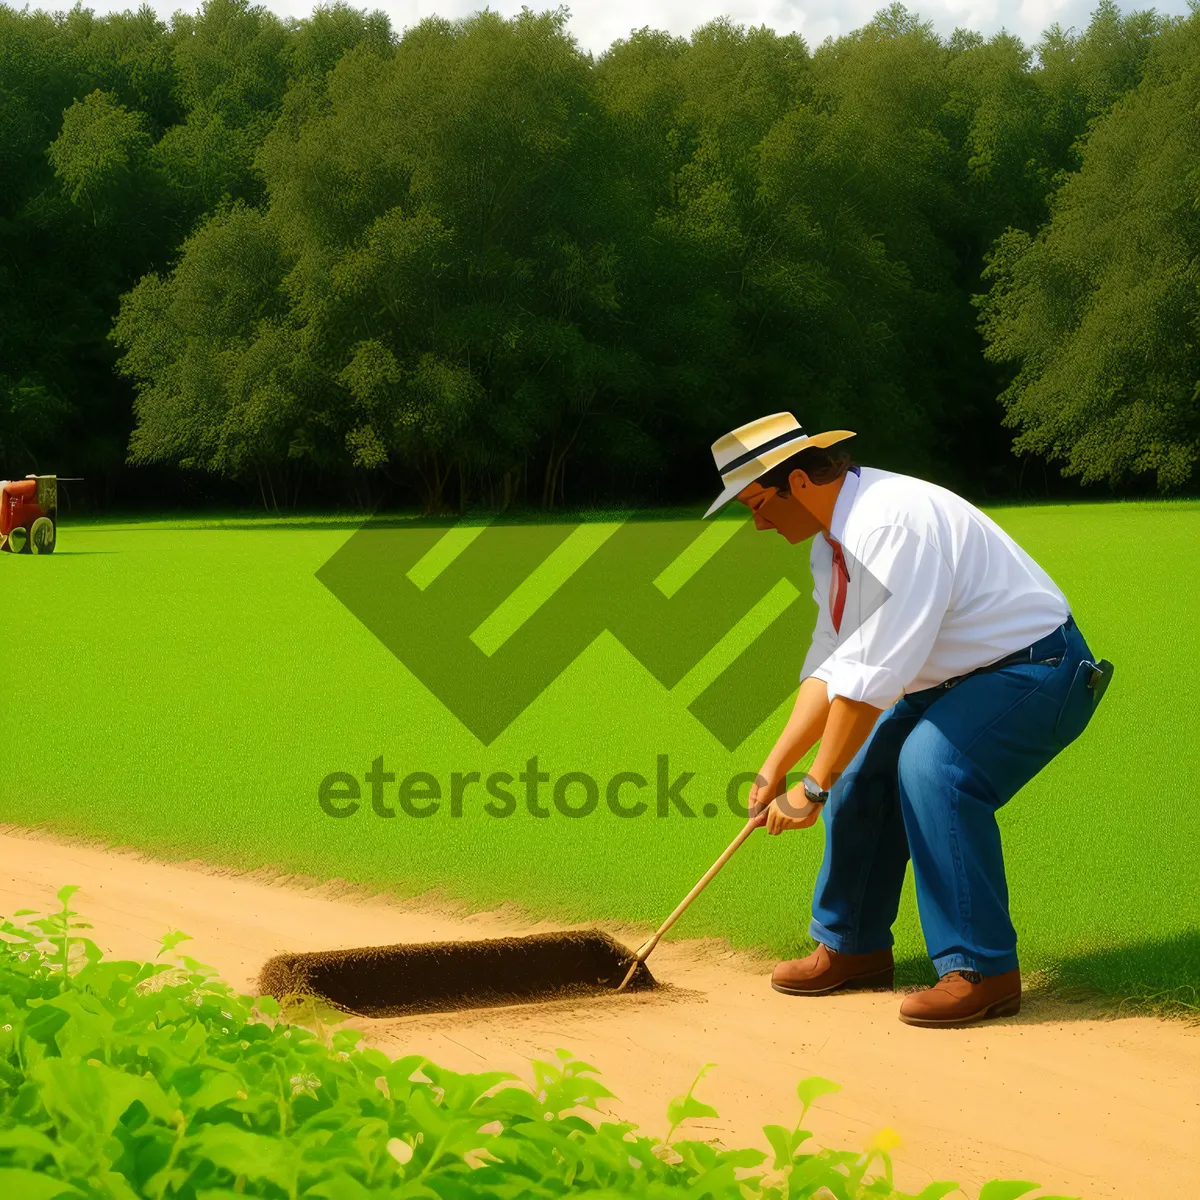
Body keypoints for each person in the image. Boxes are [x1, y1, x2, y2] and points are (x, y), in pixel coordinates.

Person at [705, 412, 1111, 1027]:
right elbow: (832, 664)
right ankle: (853, 948)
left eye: (758, 502)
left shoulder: (890, 526)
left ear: (800, 482)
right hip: (957, 680)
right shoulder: (831, 545)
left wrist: (812, 788)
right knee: (864, 767)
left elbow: (870, 683)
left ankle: (983, 971)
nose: (756, 521)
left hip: (1039, 669)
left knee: (933, 766)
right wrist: (774, 768)